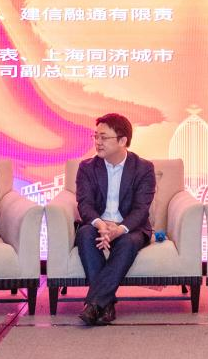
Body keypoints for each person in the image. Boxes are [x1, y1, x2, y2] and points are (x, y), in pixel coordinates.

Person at [74, 113, 156, 325]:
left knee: (127, 242)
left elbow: (141, 209)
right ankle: (105, 305)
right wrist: (101, 225)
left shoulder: (143, 168)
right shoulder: (87, 167)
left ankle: (94, 303)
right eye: (95, 136)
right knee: (84, 234)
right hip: (98, 224)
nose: (97, 142)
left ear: (122, 141)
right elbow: (84, 204)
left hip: (130, 227)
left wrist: (119, 229)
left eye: (103, 137)